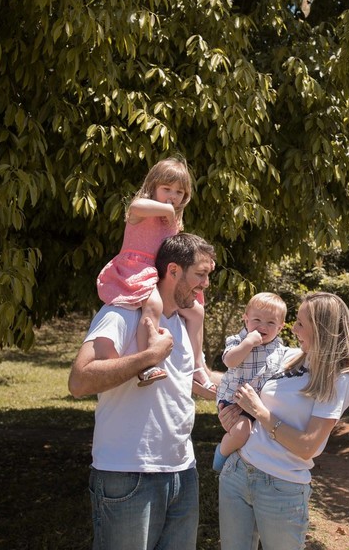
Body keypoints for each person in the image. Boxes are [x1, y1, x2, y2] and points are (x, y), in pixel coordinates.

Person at [69, 232, 218, 550]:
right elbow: (79, 381)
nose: (206, 284)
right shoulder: (121, 313)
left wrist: (255, 385)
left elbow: (190, 380)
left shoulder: (183, 322)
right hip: (128, 473)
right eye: (200, 274)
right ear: (173, 270)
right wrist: (149, 356)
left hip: (182, 472)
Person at [217, 292, 349, 550]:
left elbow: (307, 446)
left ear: (321, 330)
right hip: (237, 472)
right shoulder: (287, 356)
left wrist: (259, 411)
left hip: (281, 487)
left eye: (301, 324)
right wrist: (212, 394)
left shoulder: (337, 380)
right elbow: (239, 378)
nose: (293, 329)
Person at [95, 156, 210, 388]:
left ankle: (198, 365)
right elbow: (136, 206)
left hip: (159, 274)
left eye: (179, 192)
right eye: (166, 189)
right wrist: (166, 208)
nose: (173, 196)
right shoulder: (142, 211)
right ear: (153, 186)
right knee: (154, 305)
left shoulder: (173, 221)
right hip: (136, 270)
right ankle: (146, 363)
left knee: (197, 311)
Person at [212, 292, 293, 472]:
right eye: (257, 320)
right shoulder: (238, 340)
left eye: (271, 322)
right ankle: (221, 456)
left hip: (259, 405)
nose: (262, 326)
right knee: (242, 432)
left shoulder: (280, 350)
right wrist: (248, 343)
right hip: (234, 400)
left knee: (261, 436)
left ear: (280, 327)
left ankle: (247, 463)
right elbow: (230, 361)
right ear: (246, 319)